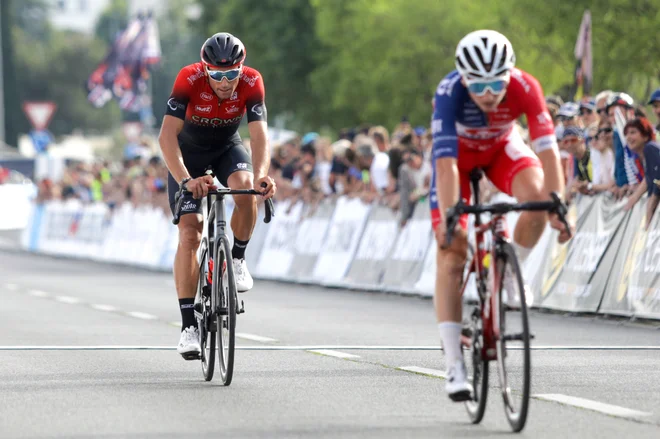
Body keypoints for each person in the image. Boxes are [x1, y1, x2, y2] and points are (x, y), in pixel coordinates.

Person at [431, 30, 571, 401]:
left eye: (498, 82)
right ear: (464, 78)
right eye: (479, 85)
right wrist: (449, 217)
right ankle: (453, 365)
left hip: (501, 150)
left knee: (539, 201)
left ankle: (508, 270)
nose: (490, 92)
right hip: (457, 162)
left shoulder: (526, 86)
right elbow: (444, 166)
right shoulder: (449, 93)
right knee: (450, 252)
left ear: (510, 74)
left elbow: (548, 151)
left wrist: (558, 202)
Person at [158, 32, 276, 360]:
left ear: (242, 68)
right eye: (217, 76)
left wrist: (264, 173)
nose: (225, 83)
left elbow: (259, 135)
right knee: (190, 231)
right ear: (205, 69)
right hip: (189, 153)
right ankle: (188, 328)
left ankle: (236, 258)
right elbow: (167, 136)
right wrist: (185, 180)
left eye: (231, 75)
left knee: (247, 187)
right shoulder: (188, 78)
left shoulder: (253, 82)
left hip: (226, 147)